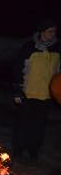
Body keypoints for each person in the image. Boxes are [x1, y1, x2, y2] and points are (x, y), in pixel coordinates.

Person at [12, 19, 60, 162]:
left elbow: (58, 74)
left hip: (46, 95)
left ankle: (33, 152)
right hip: (28, 93)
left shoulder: (57, 49)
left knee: (38, 127)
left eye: (54, 32)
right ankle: (18, 151)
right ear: (42, 32)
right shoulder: (29, 48)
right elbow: (18, 70)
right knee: (22, 124)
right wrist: (17, 91)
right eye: (50, 31)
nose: (53, 34)